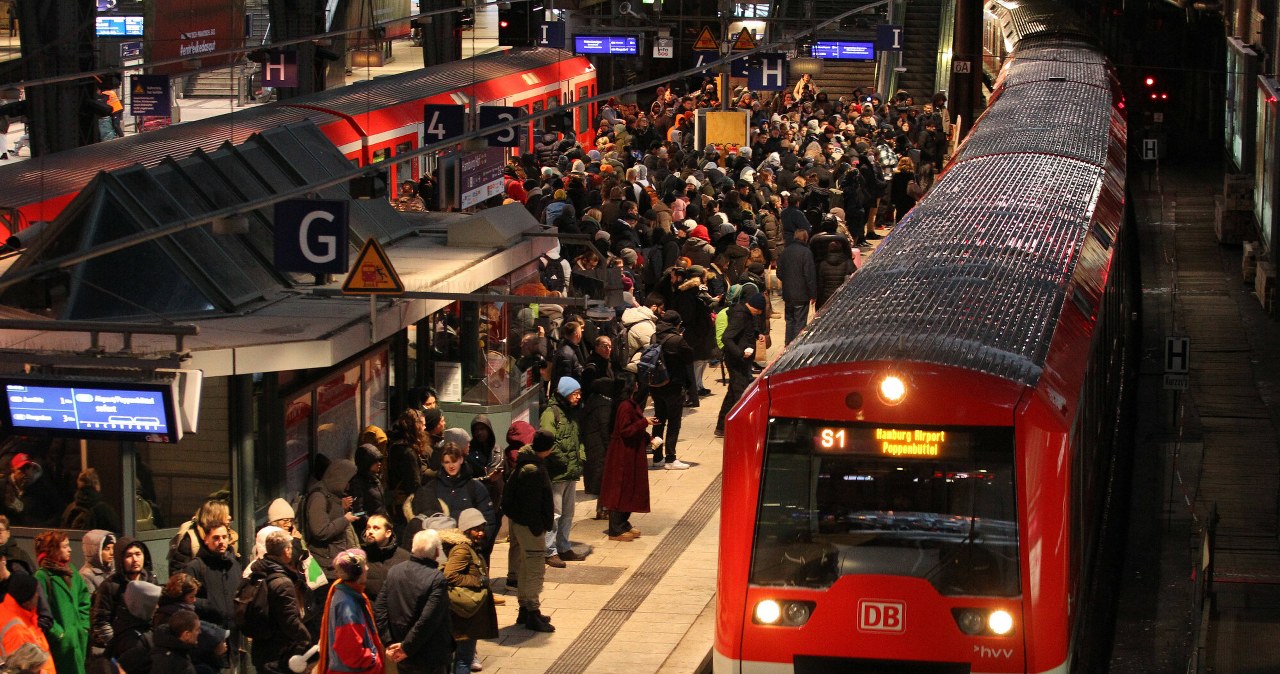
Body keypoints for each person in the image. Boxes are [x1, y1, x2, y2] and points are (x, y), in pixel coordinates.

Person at [373, 529, 454, 674]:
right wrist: (405, 647)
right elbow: (428, 619)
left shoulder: (394, 571)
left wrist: (390, 643)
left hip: (402, 652)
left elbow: (379, 609)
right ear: (436, 552)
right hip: (430, 655)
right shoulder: (437, 579)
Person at [500, 431, 555, 632]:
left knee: (525, 567)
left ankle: (524, 610)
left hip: (520, 524)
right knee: (534, 569)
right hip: (530, 527)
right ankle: (532, 611)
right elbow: (533, 504)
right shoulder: (533, 470)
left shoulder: (526, 463)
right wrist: (537, 526)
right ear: (548, 449)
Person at [411, 442, 496, 562]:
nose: (451, 466)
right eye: (447, 462)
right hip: (439, 550)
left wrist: (480, 542)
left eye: (454, 461)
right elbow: (423, 518)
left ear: (461, 460)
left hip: (469, 550)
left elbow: (488, 519)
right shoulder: (432, 488)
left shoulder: (475, 487)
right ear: (442, 463)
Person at [245, 530, 311, 674]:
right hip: (278, 652)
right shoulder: (282, 582)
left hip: (261, 649)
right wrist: (306, 639)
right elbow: (289, 619)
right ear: (286, 551)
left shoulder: (258, 573)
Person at [440, 509, 497, 674]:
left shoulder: (470, 546)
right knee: (464, 658)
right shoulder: (463, 549)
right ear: (466, 529)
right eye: (476, 529)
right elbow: (450, 575)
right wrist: (477, 581)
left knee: (462, 657)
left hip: (467, 614)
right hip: (465, 614)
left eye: (481, 528)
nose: (480, 533)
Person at [599, 376, 656, 541]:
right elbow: (625, 431)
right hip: (622, 455)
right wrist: (644, 422)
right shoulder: (624, 406)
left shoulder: (629, 404)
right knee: (620, 489)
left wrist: (648, 438)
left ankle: (623, 523)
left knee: (630, 488)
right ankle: (615, 528)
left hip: (631, 453)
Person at [540, 377, 585, 567]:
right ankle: (549, 550)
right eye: (575, 393)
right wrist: (563, 460)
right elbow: (548, 441)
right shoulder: (551, 414)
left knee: (568, 513)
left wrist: (581, 456)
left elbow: (577, 439)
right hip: (557, 473)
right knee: (555, 514)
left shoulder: (572, 414)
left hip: (571, 472)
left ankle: (564, 546)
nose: (578, 397)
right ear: (566, 393)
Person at [90, 536, 156, 662]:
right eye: (129, 555)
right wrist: (117, 645)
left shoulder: (151, 580)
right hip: (122, 650)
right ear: (120, 559)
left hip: (148, 645)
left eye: (138, 554)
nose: (135, 559)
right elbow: (101, 621)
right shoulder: (110, 586)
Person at [317, 549, 383, 674]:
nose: (368, 568)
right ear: (358, 572)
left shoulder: (343, 594)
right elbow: (351, 653)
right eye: (365, 565)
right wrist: (373, 658)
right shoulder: (348, 606)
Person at [33, 530, 90, 674]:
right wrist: (59, 634)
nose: (70, 549)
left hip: (77, 639)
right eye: (65, 546)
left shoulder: (70, 571)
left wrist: (83, 626)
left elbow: (84, 598)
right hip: (60, 646)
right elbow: (39, 611)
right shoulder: (42, 576)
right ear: (53, 550)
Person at [715, 292, 765, 437]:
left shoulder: (746, 314)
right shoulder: (740, 315)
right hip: (737, 361)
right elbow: (727, 337)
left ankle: (721, 427)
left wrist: (757, 334)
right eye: (759, 311)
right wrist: (740, 353)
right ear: (755, 307)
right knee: (740, 394)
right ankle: (739, 427)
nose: (759, 314)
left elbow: (746, 331)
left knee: (732, 394)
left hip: (741, 360)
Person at [649, 310, 694, 469]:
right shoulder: (676, 340)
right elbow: (689, 357)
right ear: (676, 324)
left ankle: (656, 457)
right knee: (674, 421)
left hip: (656, 385)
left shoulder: (654, 336)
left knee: (658, 420)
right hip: (673, 385)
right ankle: (670, 458)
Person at [305, 459, 360, 580]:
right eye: (348, 481)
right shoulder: (318, 497)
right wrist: (345, 519)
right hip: (325, 566)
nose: (349, 486)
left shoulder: (332, 494)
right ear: (340, 479)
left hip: (334, 561)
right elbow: (320, 530)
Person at [182, 523, 241, 631]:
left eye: (224, 537)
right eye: (216, 538)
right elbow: (185, 600)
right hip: (207, 633)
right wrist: (208, 605)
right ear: (206, 539)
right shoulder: (195, 567)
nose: (221, 541)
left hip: (233, 634)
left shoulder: (234, 564)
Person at [0, 574, 55, 674]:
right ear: (28, 600)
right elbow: (25, 668)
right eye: (36, 593)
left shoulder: (12, 612)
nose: (38, 595)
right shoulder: (17, 631)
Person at [167, 500, 235, 577]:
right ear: (215, 517)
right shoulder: (190, 540)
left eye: (224, 537)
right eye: (225, 514)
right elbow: (178, 574)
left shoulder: (228, 534)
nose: (229, 517)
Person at [110, 580, 162, 674]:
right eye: (153, 604)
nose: (157, 607)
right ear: (141, 605)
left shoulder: (127, 624)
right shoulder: (133, 640)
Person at [777, 228, 817, 345]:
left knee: (789, 321)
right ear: (805, 238)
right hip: (801, 294)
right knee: (800, 322)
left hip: (788, 293)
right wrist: (813, 294)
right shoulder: (806, 252)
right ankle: (795, 347)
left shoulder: (785, 251)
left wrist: (788, 281)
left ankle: (787, 345)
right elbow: (809, 275)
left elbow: (779, 272)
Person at [361, 514, 409, 602]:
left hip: (396, 610)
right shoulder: (360, 557)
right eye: (368, 527)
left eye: (376, 528)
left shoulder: (404, 557)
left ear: (388, 533)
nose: (370, 531)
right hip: (368, 611)